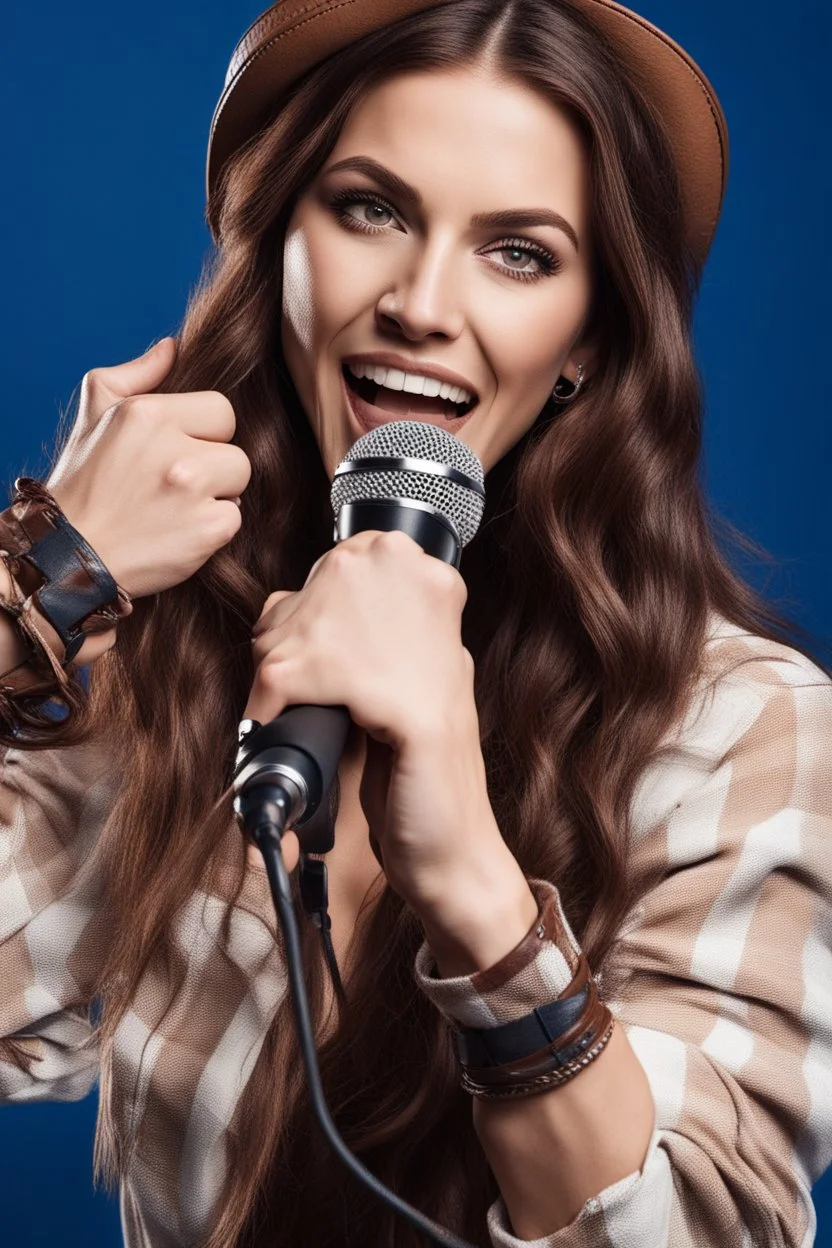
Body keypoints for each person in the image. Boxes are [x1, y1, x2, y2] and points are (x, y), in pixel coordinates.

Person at [1, 0, 830, 1245]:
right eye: (370, 209)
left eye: (519, 253)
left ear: (588, 346)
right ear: (275, 245)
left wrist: (470, 887)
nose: (422, 304)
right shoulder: (163, 645)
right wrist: (40, 591)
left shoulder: (743, 729)